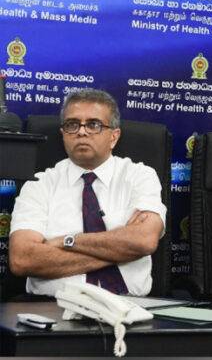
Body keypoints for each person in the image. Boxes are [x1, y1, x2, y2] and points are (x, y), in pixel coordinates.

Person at [9, 88, 166, 297]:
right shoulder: (39, 184)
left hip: (130, 307)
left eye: (93, 125)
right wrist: (121, 250)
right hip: (52, 307)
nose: (81, 132)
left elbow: (144, 240)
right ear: (63, 134)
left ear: (114, 137)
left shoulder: (139, 176)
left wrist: (67, 241)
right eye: (72, 124)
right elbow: (23, 259)